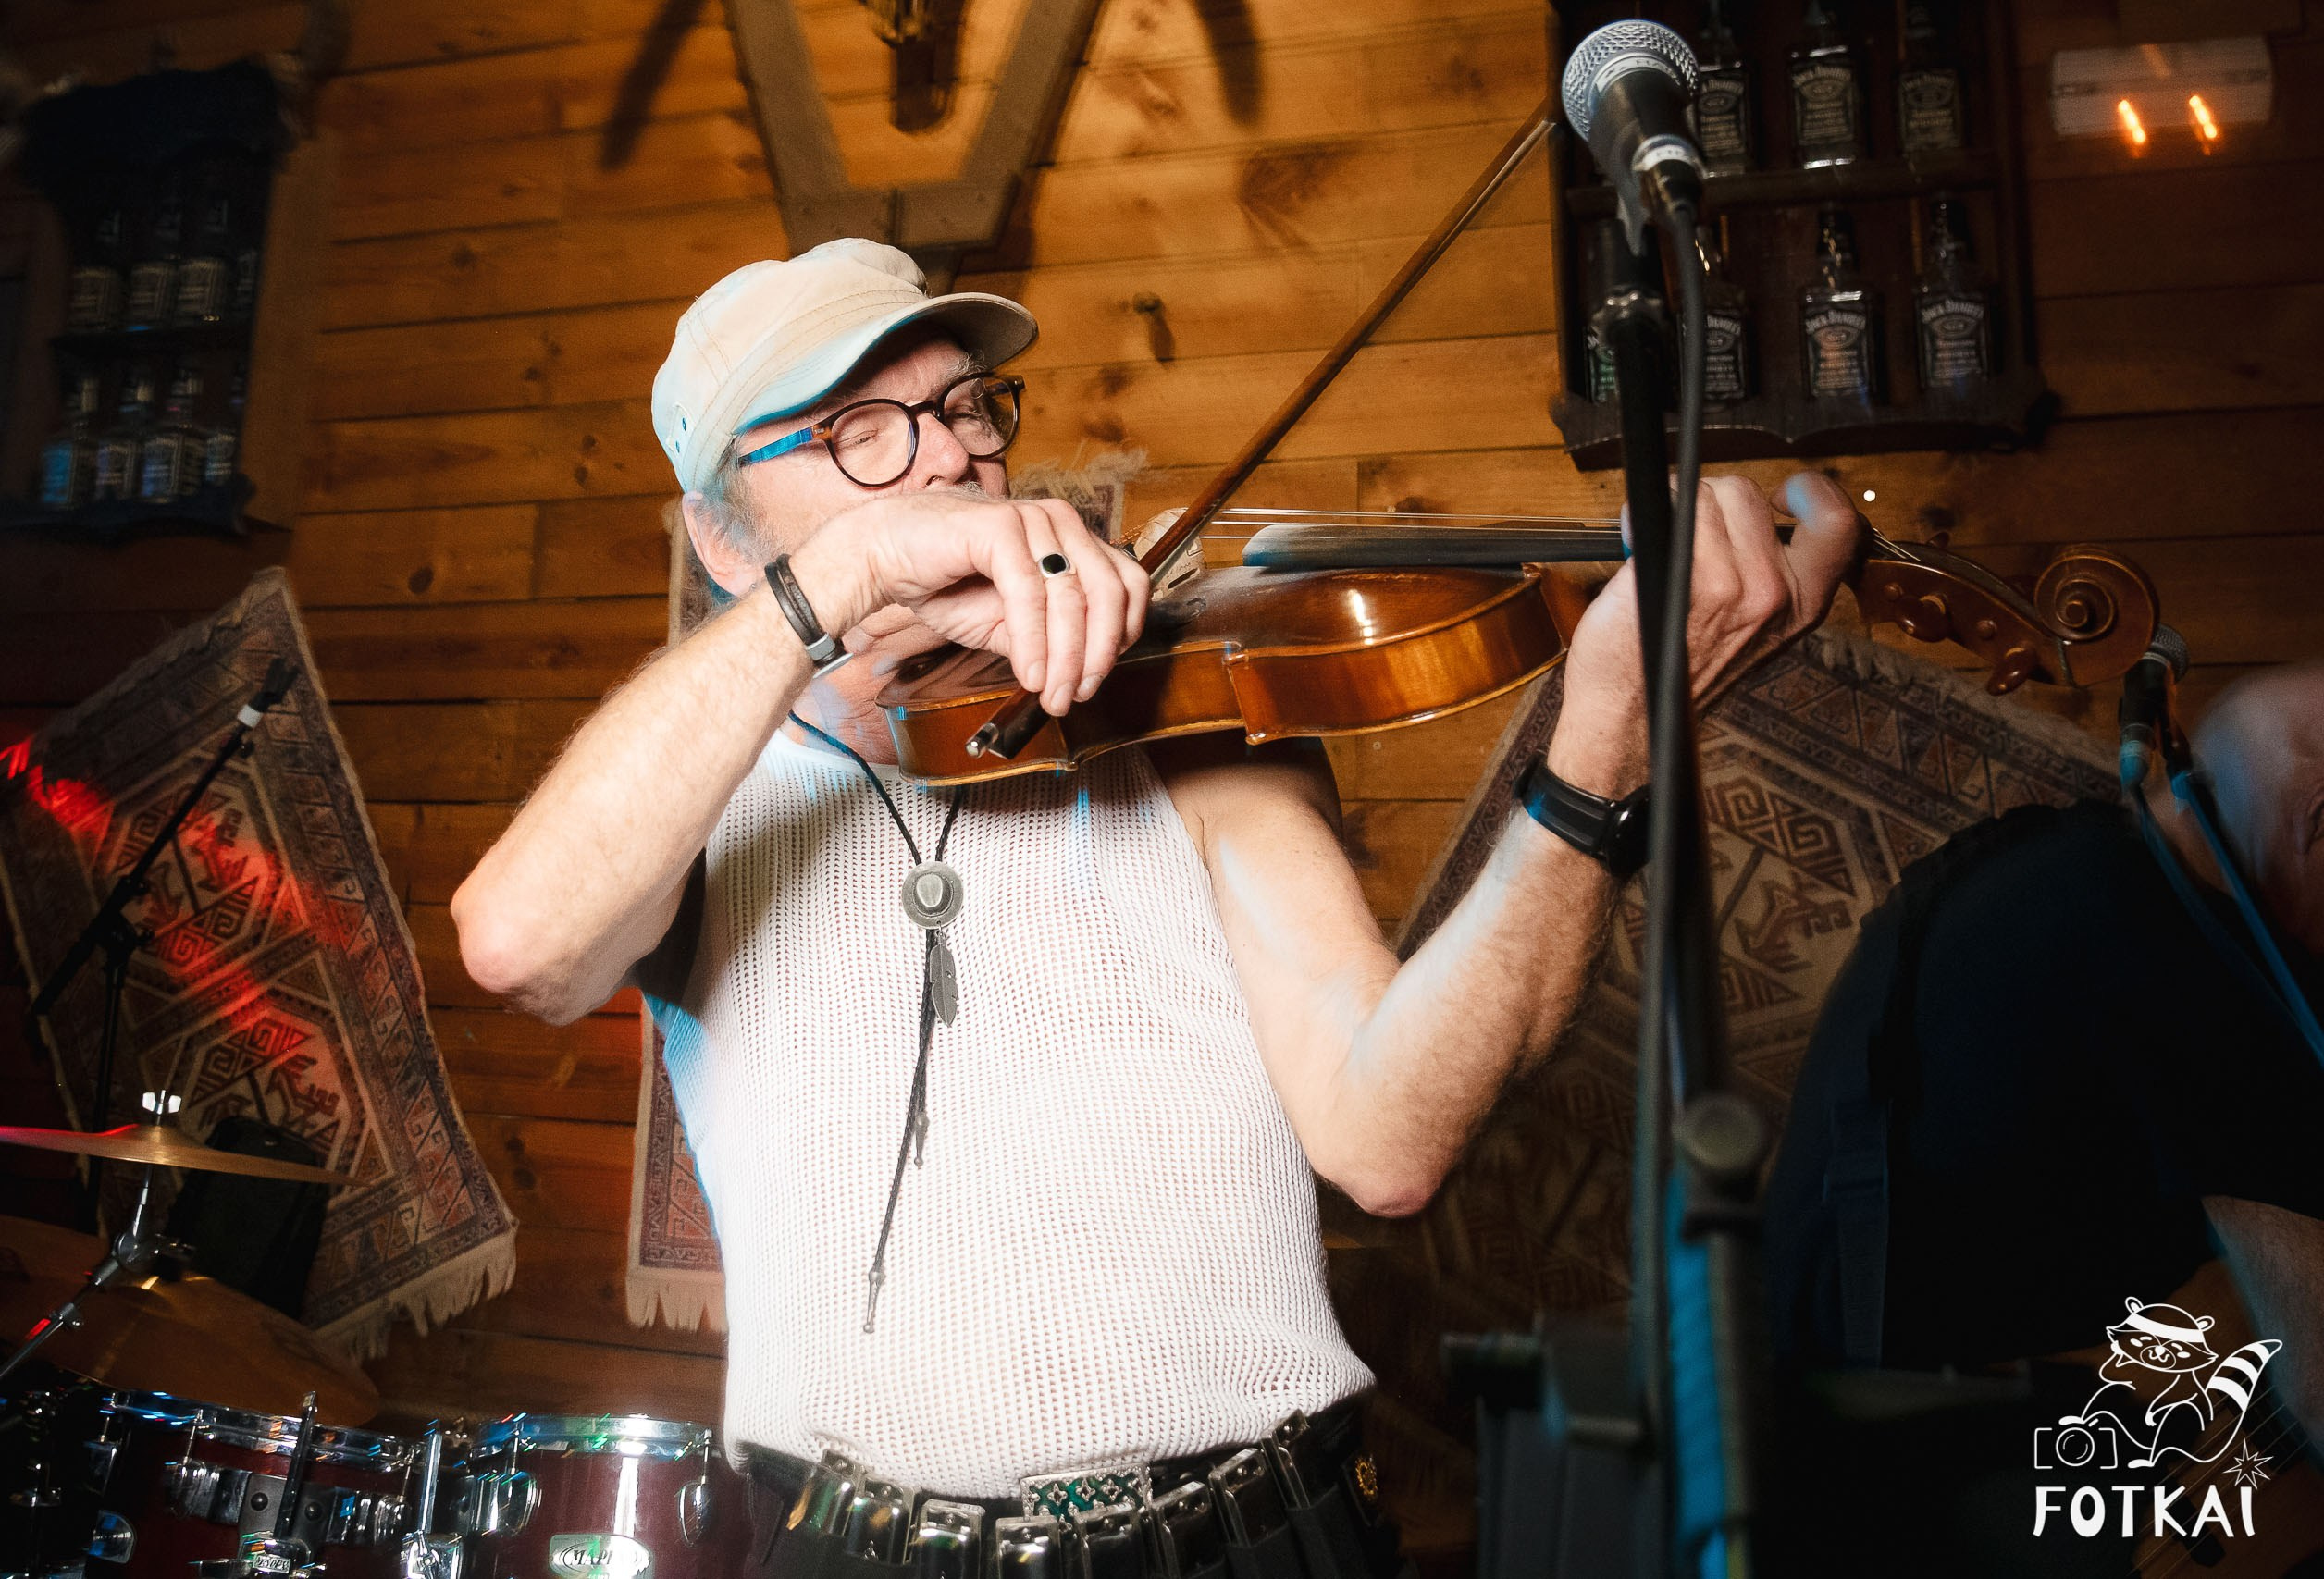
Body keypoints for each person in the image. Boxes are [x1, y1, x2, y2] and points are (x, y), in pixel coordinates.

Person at [451, 239, 1857, 1562]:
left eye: (961, 407)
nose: (951, 454)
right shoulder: (687, 792)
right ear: (725, 536)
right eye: (858, 432)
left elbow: (1389, 1136)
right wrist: (845, 583)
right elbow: (518, 942)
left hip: (1254, 1532)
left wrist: (1599, 751)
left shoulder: (1178, 718)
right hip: (861, 1550)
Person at [1763, 661, 2324, 1437]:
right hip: (1881, 1430)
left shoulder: (2049, 850)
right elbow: (2319, 1382)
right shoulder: (2188, 981)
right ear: (2315, 824)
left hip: (1795, 1316)